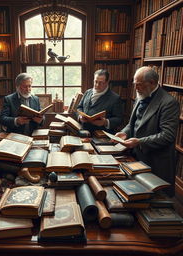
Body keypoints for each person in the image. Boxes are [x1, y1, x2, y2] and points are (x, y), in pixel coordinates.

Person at [115, 66, 180, 196]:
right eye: (135, 84)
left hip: (156, 160)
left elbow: (168, 135)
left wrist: (139, 142)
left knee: (156, 200)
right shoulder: (141, 95)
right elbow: (132, 123)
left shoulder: (169, 103)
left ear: (152, 83)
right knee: (137, 194)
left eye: (139, 85)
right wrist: (125, 132)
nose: (136, 88)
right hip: (137, 156)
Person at [77, 69, 123, 134]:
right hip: (84, 133)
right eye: (95, 82)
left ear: (107, 82)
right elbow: (79, 107)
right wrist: (80, 117)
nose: (97, 85)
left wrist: (105, 122)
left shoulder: (115, 98)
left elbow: (119, 119)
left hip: (101, 136)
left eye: (101, 83)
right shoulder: (87, 92)